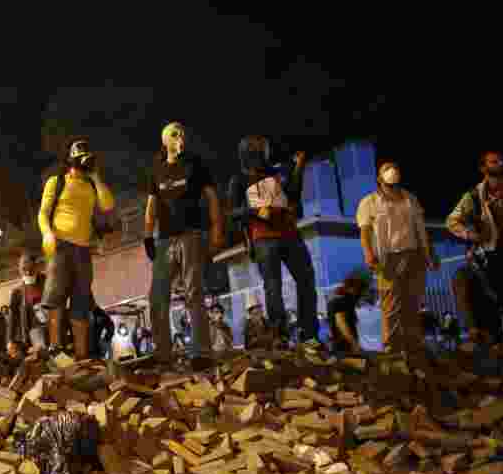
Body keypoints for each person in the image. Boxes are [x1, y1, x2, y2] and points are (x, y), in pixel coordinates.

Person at [144, 122, 224, 370]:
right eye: (174, 134)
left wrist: (217, 229)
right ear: (164, 140)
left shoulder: (194, 163)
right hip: (165, 239)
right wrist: (147, 236)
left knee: (193, 292)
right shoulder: (156, 168)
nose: (180, 137)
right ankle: (162, 353)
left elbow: (211, 197)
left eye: (182, 133)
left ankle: (201, 352)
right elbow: (151, 204)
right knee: (157, 295)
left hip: (192, 235)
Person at [228, 137, 320, 349]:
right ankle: (280, 335)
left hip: (290, 233)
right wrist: (255, 211)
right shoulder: (239, 180)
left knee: (306, 279)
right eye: (261, 148)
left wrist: (299, 167)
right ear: (251, 152)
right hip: (263, 238)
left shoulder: (276, 173)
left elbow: (293, 195)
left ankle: (309, 333)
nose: (266, 151)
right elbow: (233, 213)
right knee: (273, 286)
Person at [38, 136, 115, 360]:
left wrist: (96, 177)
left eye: (87, 158)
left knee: (81, 300)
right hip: (60, 245)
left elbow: (108, 205)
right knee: (56, 297)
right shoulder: (57, 182)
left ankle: (82, 355)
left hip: (83, 249)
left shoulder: (91, 185)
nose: (84, 162)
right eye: (81, 158)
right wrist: (47, 233)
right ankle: (56, 348)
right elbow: (43, 213)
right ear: (71, 159)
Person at [357, 161, 439, 357]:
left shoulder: (410, 199)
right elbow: (365, 231)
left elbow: (421, 228)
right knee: (391, 305)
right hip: (389, 258)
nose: (392, 170)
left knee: (413, 304)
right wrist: (368, 253)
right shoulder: (369, 201)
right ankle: (392, 350)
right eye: (386, 168)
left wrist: (430, 253)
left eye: (394, 167)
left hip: (414, 254)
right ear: (379, 177)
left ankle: (413, 347)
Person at [447, 150, 503, 345]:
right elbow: (452, 221)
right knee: (466, 282)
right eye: (493, 161)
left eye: (500, 160)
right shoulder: (473, 197)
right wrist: (471, 235)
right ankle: (484, 336)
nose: (499, 163)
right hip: (490, 254)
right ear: (483, 168)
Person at [8, 253, 49, 351]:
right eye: (24, 269)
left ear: (36, 266)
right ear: (19, 269)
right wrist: (10, 340)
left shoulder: (48, 282)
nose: (27, 272)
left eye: (30, 269)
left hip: (51, 326)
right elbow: (13, 317)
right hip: (32, 331)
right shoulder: (17, 292)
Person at [326, 271, 372, 355]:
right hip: (344, 348)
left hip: (342, 346)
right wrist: (354, 343)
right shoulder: (341, 301)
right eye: (362, 290)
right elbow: (341, 323)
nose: (362, 294)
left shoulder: (339, 299)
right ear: (354, 288)